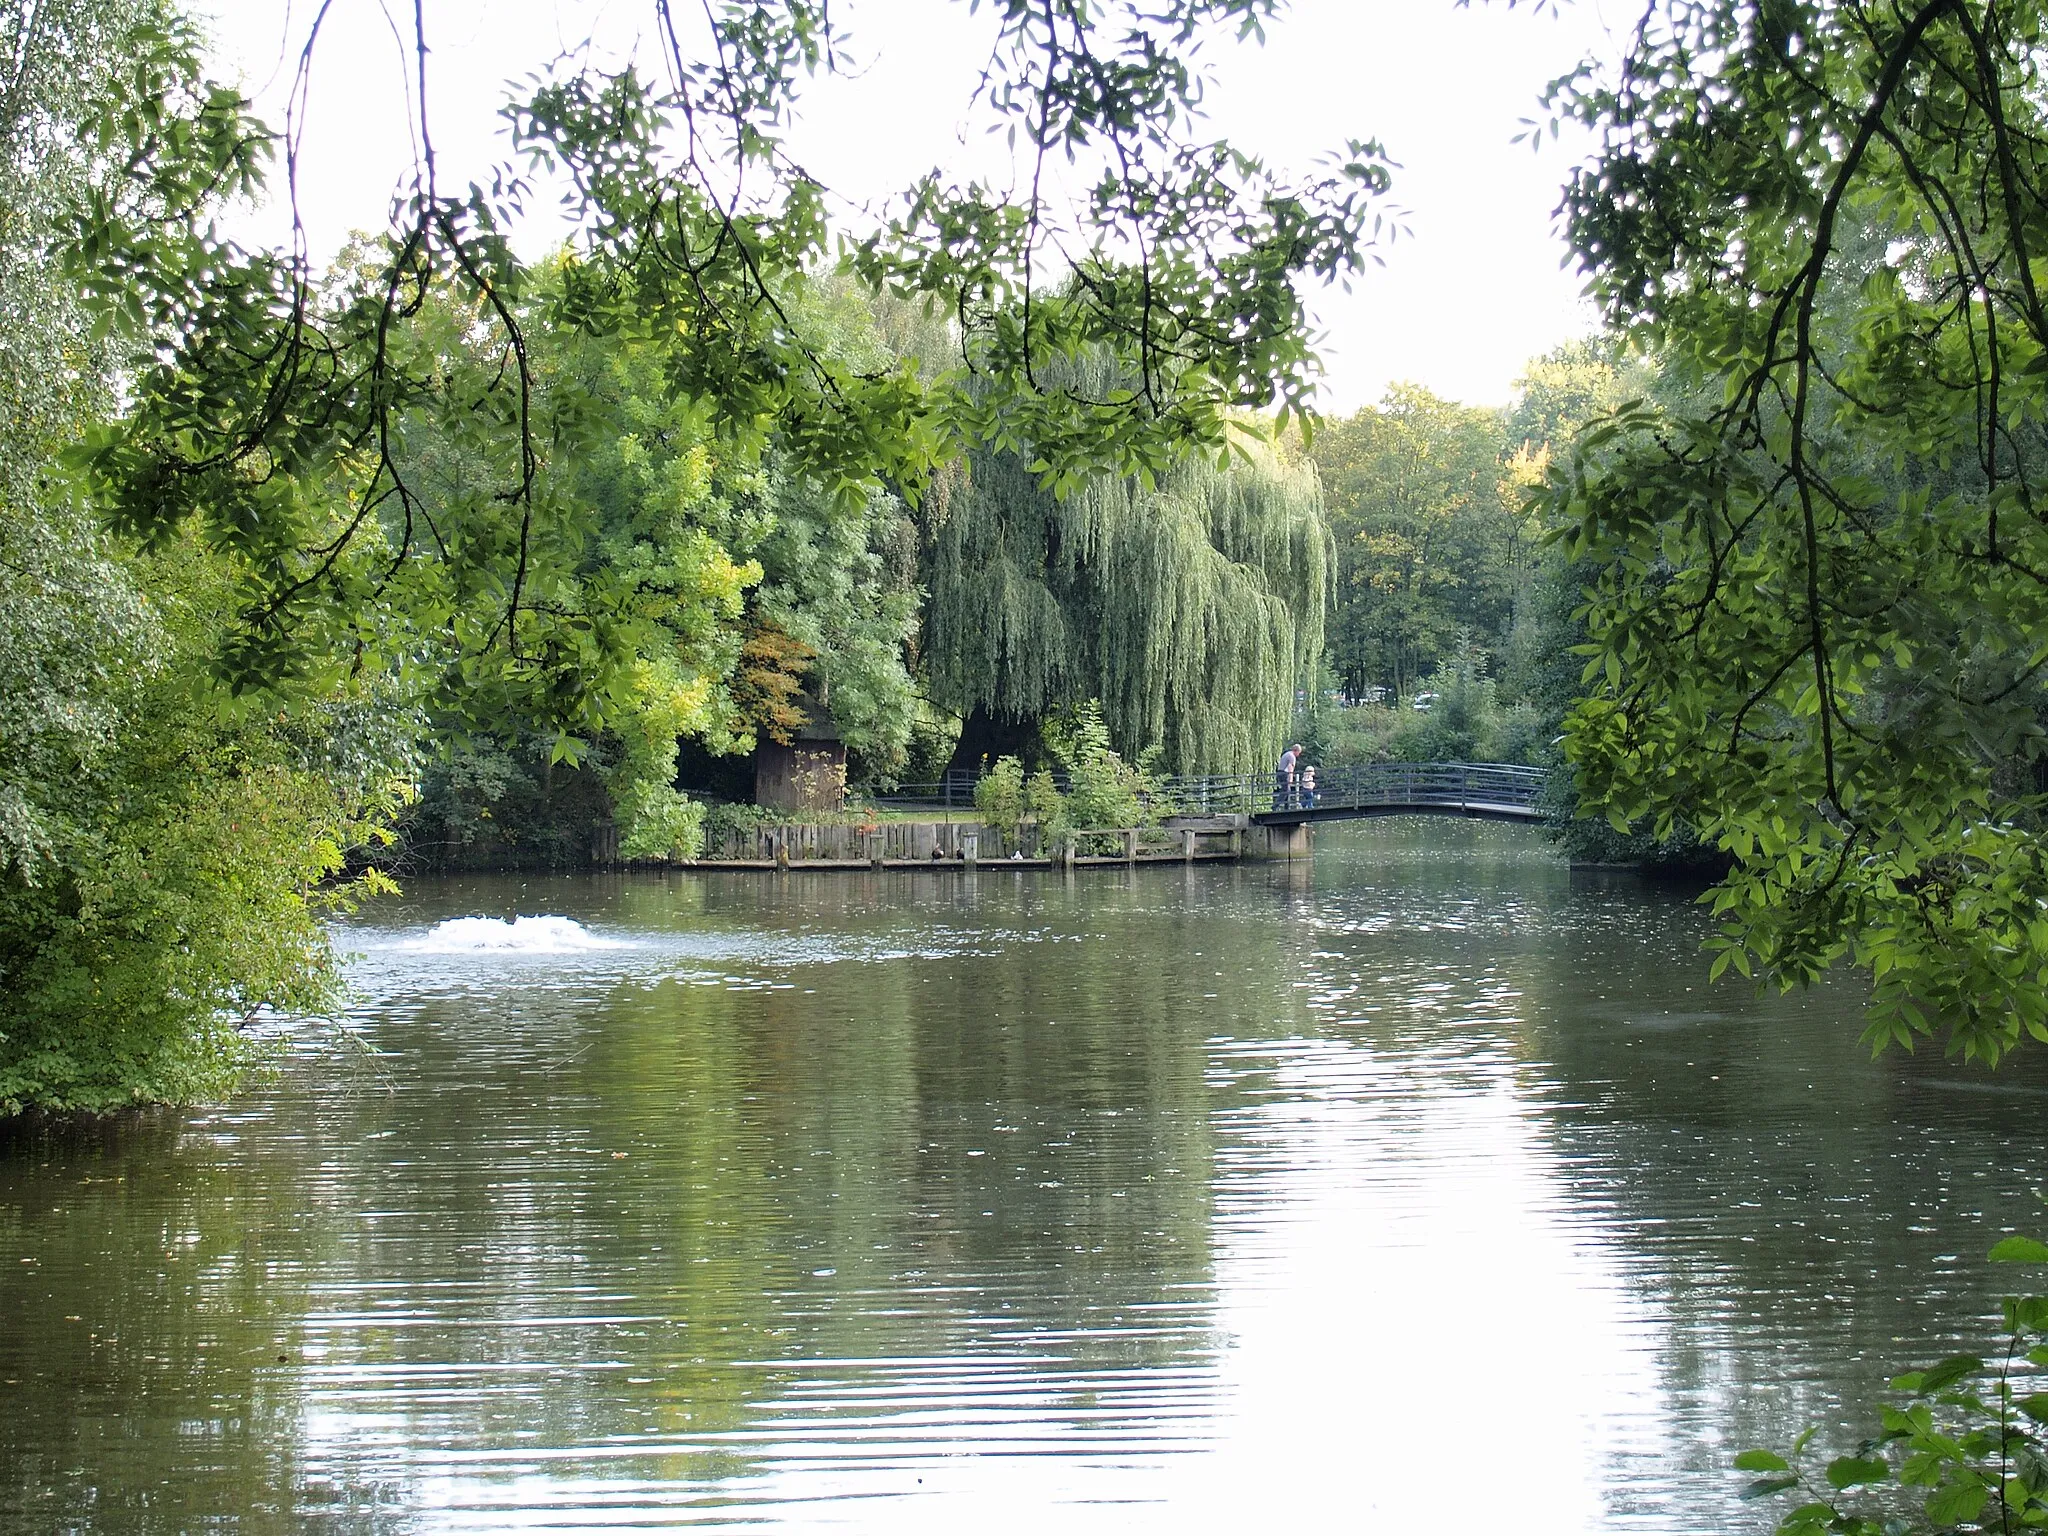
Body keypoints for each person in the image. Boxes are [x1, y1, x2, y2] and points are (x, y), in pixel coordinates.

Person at [1275, 742, 1300, 808]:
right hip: (1284, 773)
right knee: (1286, 790)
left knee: (1286, 789)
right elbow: (1290, 767)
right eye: (1299, 752)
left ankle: (1287, 806)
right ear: (1296, 751)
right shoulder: (1292, 756)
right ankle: (1275, 806)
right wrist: (1290, 777)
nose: (1299, 754)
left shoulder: (1286, 754)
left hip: (1280, 772)